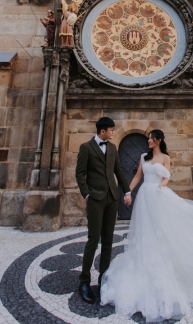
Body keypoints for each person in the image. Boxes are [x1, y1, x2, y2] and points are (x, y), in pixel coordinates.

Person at [100, 129, 193, 321]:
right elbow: (137, 176)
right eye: (148, 139)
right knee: (146, 233)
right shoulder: (143, 157)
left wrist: (162, 186)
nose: (148, 141)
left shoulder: (165, 158)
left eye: (151, 139)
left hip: (158, 196)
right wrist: (127, 192)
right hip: (145, 197)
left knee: (162, 231)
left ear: (159, 140)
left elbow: (167, 177)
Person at [75, 117, 132, 304]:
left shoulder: (113, 148)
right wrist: (87, 194)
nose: (113, 132)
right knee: (93, 239)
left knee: (108, 241)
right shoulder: (86, 148)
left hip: (112, 199)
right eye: (111, 129)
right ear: (102, 131)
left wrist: (127, 191)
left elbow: (119, 172)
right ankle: (84, 281)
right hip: (95, 199)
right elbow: (80, 173)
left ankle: (103, 279)